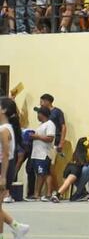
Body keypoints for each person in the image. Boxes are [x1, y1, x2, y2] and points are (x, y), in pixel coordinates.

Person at [0, 98, 28, 236]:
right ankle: (17, 227)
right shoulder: (6, 128)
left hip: (3, 168)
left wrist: (3, 177)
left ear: (4, 110)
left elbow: (5, 154)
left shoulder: (4, 130)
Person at [28, 106, 55, 201]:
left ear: (42, 114)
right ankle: (48, 194)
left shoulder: (50, 124)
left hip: (43, 154)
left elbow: (50, 138)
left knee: (41, 174)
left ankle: (37, 194)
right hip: (37, 153)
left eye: (38, 114)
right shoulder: (41, 125)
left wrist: (36, 136)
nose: (37, 116)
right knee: (45, 173)